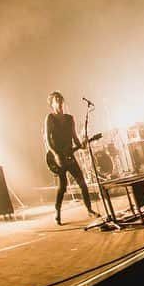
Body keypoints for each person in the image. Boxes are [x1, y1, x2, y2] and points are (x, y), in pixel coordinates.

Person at [44, 91, 98, 225]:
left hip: (70, 155)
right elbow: (48, 141)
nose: (60, 100)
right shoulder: (50, 118)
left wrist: (82, 145)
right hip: (57, 156)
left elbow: (75, 138)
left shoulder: (70, 118)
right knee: (62, 187)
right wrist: (56, 155)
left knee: (82, 184)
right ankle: (57, 212)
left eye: (61, 98)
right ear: (52, 103)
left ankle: (89, 209)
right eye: (56, 99)